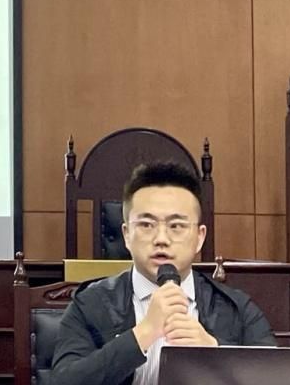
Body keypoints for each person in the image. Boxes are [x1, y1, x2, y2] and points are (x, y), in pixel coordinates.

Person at [49, 160, 275, 385]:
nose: (161, 239)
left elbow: (275, 375)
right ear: (126, 235)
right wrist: (143, 333)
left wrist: (213, 351)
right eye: (147, 225)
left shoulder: (236, 309)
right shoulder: (91, 304)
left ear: (199, 238)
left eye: (176, 226)